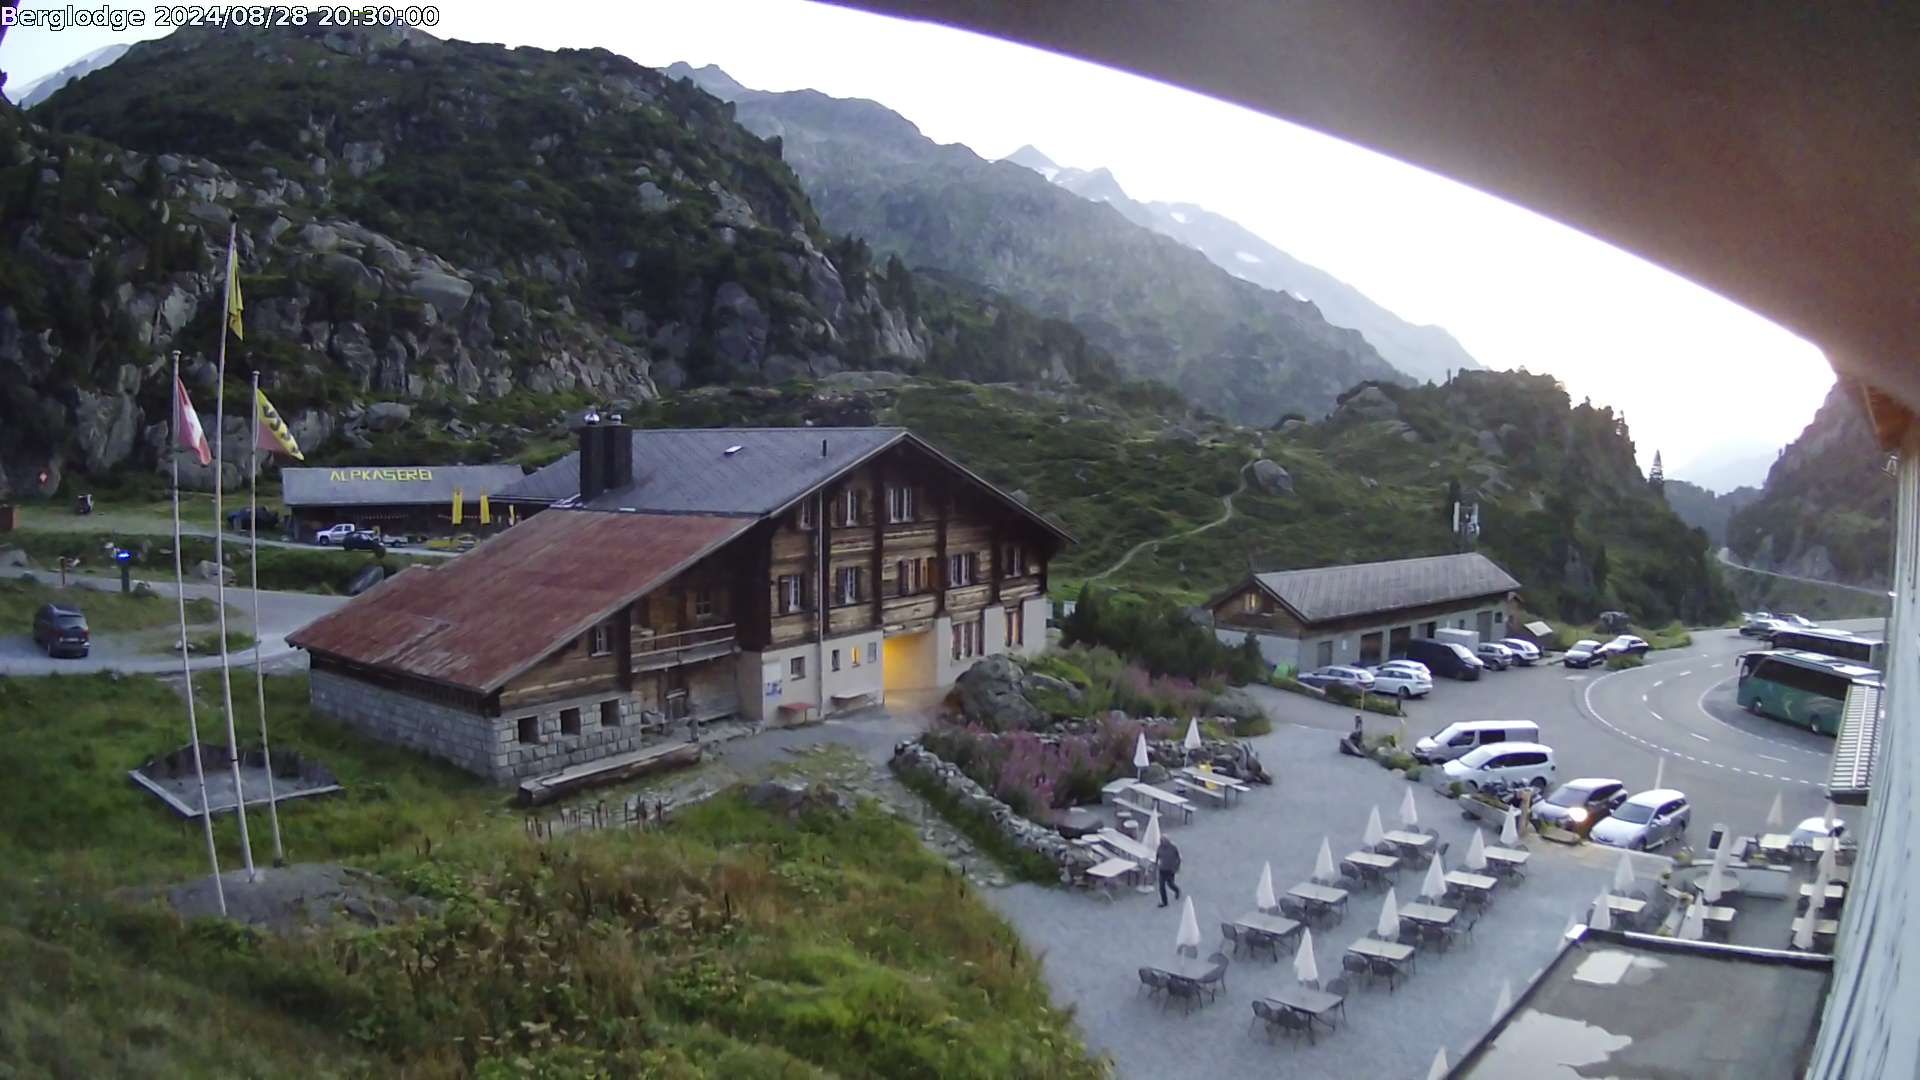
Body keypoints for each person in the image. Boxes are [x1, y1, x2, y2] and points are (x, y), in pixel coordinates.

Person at [1157, 836, 1183, 907]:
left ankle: (1177, 890)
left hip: (1170, 870)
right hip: (1162, 869)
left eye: (1163, 841)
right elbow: (1157, 856)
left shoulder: (1173, 848)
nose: (1161, 843)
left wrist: (1177, 867)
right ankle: (1164, 902)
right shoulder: (1159, 847)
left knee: (1170, 884)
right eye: (1161, 841)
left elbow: (1178, 858)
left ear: (1167, 841)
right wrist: (1156, 864)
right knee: (1161, 886)